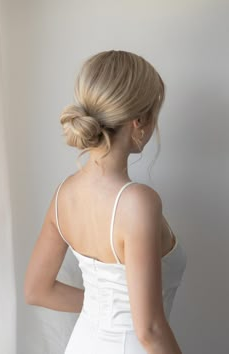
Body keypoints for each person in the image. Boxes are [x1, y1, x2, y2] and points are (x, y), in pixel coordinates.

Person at [24, 50, 187, 354]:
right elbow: (149, 330)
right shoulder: (138, 203)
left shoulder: (64, 195)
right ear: (140, 121)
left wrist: (105, 308)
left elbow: (37, 290)